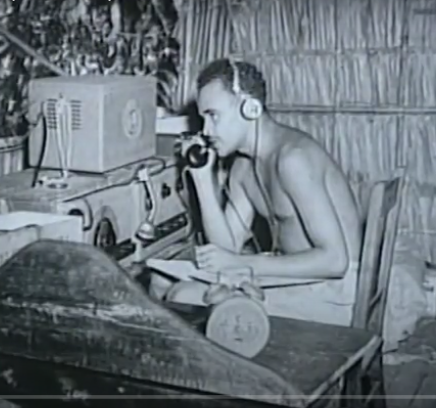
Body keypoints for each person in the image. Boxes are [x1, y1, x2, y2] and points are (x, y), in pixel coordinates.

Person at [152, 58, 363, 327]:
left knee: (183, 295)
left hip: (333, 293)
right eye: (203, 119)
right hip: (295, 279)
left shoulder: (293, 159)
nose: (205, 131)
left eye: (214, 116)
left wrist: (244, 263)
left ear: (250, 108)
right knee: (160, 281)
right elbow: (227, 248)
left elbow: (335, 261)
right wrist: (202, 180)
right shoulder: (244, 167)